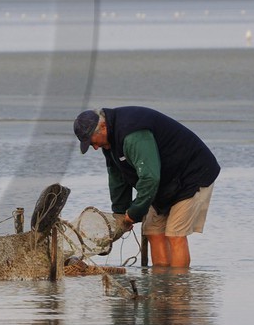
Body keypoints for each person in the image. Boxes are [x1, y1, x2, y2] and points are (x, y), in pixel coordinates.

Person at [73, 106, 219, 268]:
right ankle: (160, 287)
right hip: (165, 182)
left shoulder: (132, 135)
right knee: (153, 231)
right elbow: (117, 178)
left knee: (174, 234)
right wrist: (121, 213)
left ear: (103, 127)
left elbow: (149, 178)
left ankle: (179, 288)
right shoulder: (108, 142)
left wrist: (135, 212)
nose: (94, 148)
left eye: (93, 142)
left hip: (192, 175)